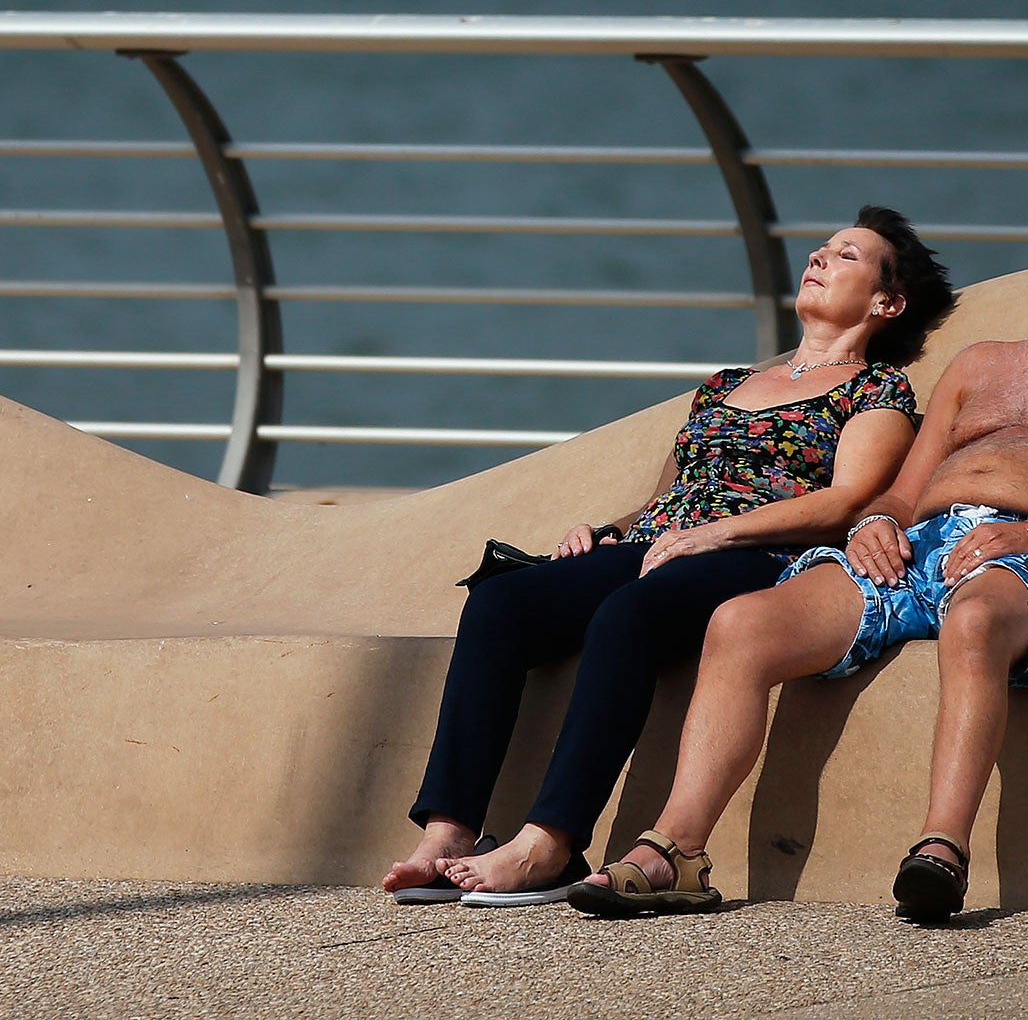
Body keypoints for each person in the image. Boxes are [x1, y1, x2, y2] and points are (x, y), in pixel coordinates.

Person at [571, 185, 1028, 921]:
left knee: (973, 622)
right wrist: (874, 523)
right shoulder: (981, 363)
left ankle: (941, 848)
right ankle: (677, 853)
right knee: (742, 624)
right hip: (923, 546)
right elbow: (903, 495)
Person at [381, 207, 955, 905]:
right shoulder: (725, 384)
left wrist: (717, 533)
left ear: (886, 302)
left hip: (763, 556)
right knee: (503, 603)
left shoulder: (875, 389)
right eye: (823, 249)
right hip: (667, 545)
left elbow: (844, 501)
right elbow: (668, 499)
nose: (820, 258)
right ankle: (449, 828)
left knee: (631, 613)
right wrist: (602, 532)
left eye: (847, 256)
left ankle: (550, 843)